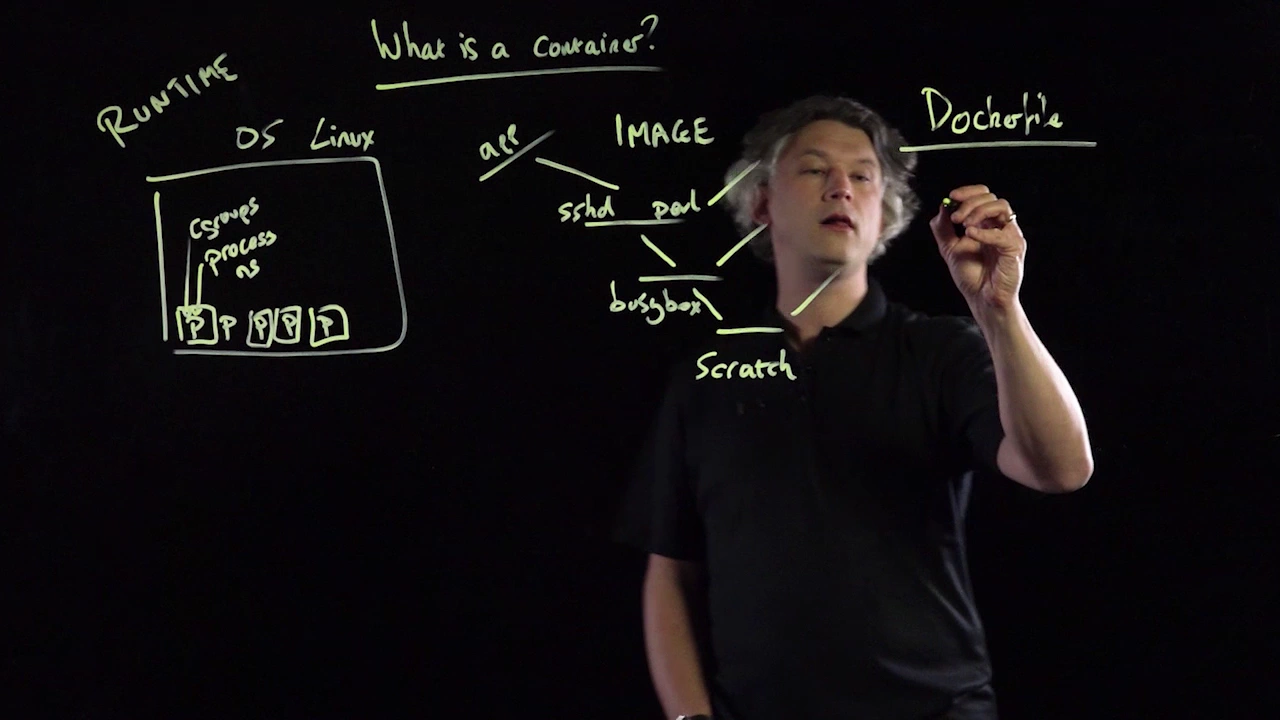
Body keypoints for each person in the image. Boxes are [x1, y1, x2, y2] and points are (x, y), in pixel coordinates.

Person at [611, 95, 1094, 720]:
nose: (841, 187)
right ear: (761, 202)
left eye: (863, 176)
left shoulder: (942, 352)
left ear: (884, 211)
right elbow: (670, 573)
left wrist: (999, 310)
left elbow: (1062, 469)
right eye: (814, 168)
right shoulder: (704, 377)